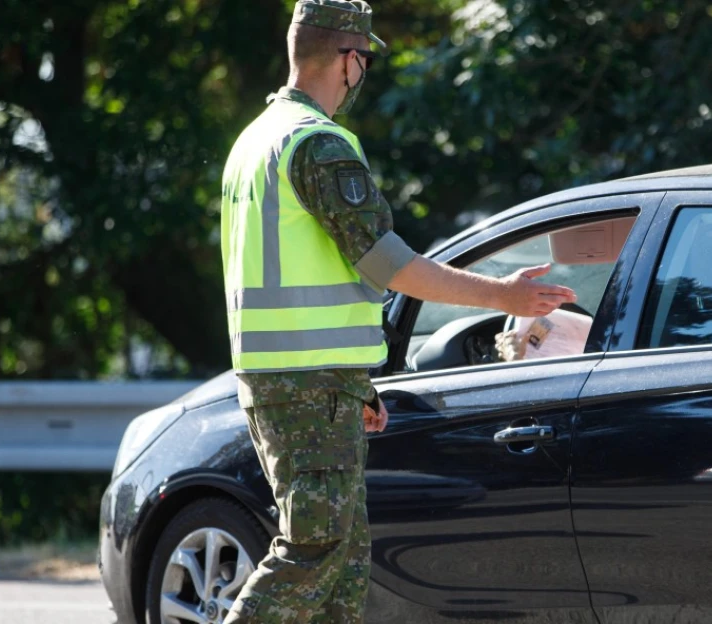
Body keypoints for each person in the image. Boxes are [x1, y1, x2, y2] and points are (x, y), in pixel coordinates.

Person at [218, 1, 576, 621]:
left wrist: (354, 380)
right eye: (365, 61)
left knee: (344, 566)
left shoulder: (255, 142)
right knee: (316, 548)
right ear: (348, 61)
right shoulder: (317, 144)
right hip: (307, 383)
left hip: (302, 377)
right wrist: (504, 297)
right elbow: (389, 266)